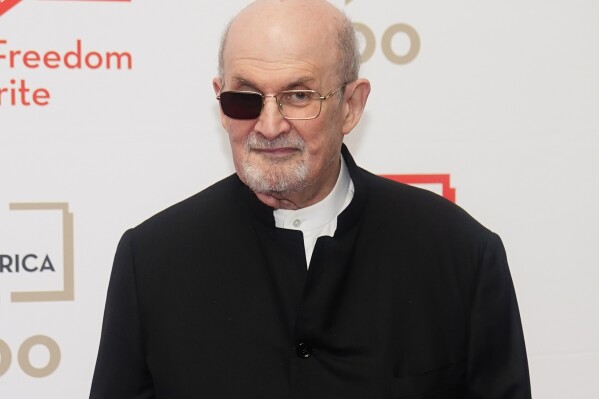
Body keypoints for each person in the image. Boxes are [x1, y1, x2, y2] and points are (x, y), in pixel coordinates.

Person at [90, 0, 531, 398]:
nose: (268, 125)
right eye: (245, 97)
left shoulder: (460, 254)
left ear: (352, 106)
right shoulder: (151, 260)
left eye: (298, 96)